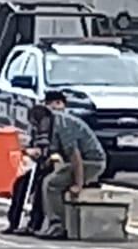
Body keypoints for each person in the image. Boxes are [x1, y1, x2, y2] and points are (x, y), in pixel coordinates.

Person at [32, 102, 108, 239]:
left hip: (92, 162)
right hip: (75, 162)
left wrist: (78, 185)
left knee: (51, 184)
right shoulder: (51, 126)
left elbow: (76, 158)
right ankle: (39, 221)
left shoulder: (64, 126)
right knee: (43, 178)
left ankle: (58, 225)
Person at [4, 91, 68, 235]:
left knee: (42, 185)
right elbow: (35, 144)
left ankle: (35, 224)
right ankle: (14, 222)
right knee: (21, 184)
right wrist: (31, 151)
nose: (53, 107)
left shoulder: (66, 122)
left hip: (61, 165)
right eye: (50, 103)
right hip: (43, 163)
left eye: (57, 103)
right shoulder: (42, 120)